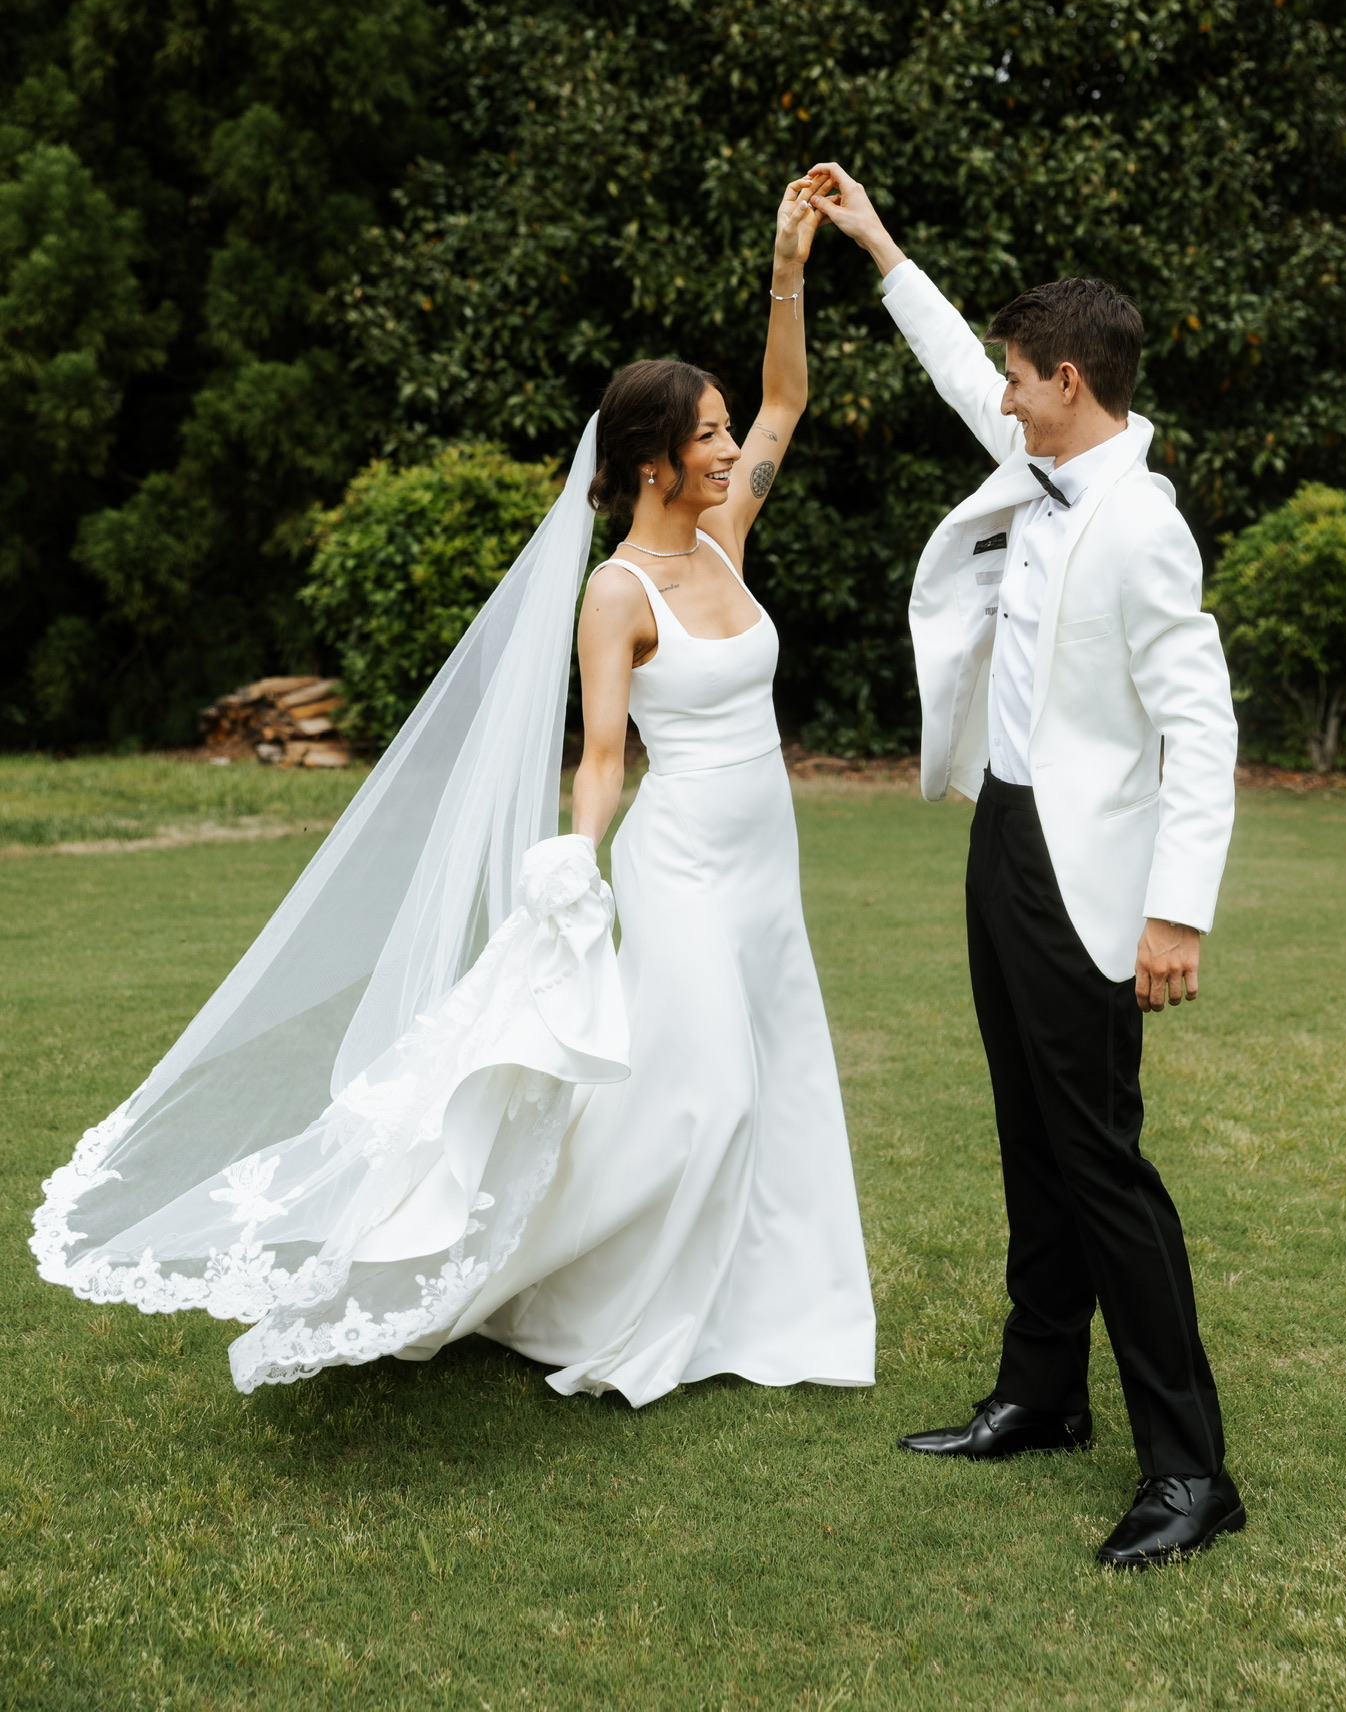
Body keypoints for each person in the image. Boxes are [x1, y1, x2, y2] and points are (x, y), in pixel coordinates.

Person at [33, 180, 875, 1408]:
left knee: (774, 1074)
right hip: (682, 860)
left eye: (726, 429)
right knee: (710, 1096)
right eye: (709, 433)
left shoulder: (726, 540)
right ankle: (584, 1299)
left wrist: (788, 262)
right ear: (652, 461)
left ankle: (762, 1302)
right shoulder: (617, 595)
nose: (732, 444)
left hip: (767, 864)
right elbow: (599, 757)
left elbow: (793, 395)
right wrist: (575, 865)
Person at [808, 164, 1243, 1571]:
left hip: (1093, 877)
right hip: (1002, 836)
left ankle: (1192, 1472)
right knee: (1026, 1136)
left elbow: (1203, 723)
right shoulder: (1036, 469)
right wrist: (874, 247)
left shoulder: (1144, 521)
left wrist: (1175, 912)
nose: (996, 393)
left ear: (1066, 379)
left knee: (1102, 1162)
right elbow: (947, 358)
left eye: (1015, 376)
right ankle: (1041, 1394)